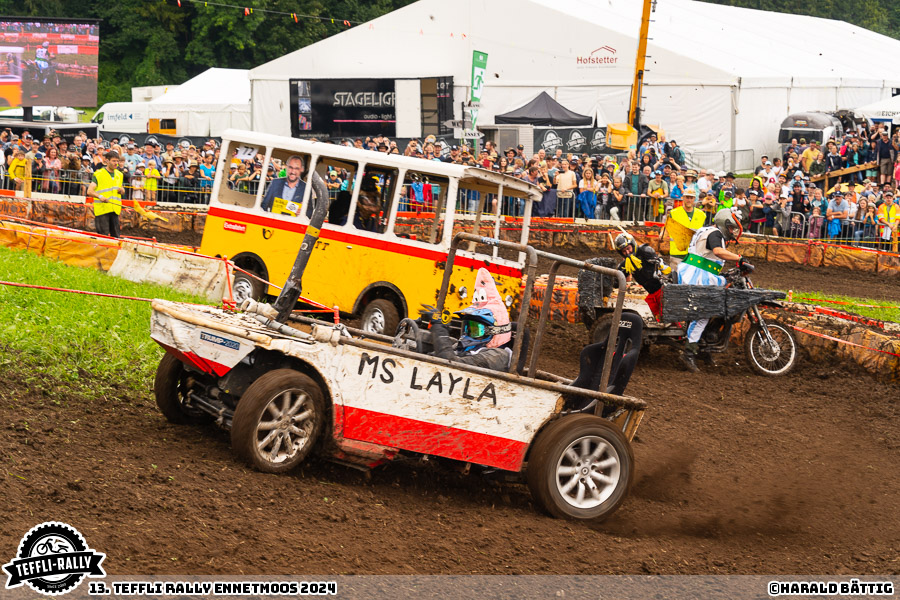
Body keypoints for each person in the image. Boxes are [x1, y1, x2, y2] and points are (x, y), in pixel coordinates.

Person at [676, 209, 748, 372]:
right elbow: (717, 252)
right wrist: (739, 258)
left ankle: (703, 347)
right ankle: (689, 353)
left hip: (697, 274)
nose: (732, 232)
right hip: (697, 276)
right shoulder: (715, 233)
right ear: (724, 223)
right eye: (731, 227)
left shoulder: (707, 230)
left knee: (716, 305)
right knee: (704, 314)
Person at [428, 268, 513, 372]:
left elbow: (451, 366)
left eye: (476, 330)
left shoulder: (498, 356)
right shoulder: (468, 349)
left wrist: (440, 332)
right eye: (467, 328)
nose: (467, 334)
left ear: (496, 332)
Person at [614, 232, 670, 320]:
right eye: (624, 251)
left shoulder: (645, 251)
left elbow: (663, 265)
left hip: (663, 290)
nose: (628, 252)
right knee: (658, 320)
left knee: (669, 319)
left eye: (628, 248)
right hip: (651, 294)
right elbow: (616, 281)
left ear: (633, 245)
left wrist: (660, 267)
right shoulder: (626, 264)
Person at [665, 187, 706, 272]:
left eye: (691, 198)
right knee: (676, 281)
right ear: (683, 198)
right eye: (687, 197)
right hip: (677, 254)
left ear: (695, 199)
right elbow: (666, 232)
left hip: (693, 254)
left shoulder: (701, 215)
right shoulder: (674, 213)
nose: (689, 200)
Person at [86, 151, 125, 238]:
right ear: (107, 161)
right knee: (103, 236)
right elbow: (90, 191)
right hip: (102, 210)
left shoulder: (119, 175)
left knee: (116, 236)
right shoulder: (99, 174)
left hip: (115, 209)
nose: (116, 163)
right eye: (114, 161)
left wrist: (122, 190)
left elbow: (121, 188)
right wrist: (100, 197)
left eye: (117, 161)